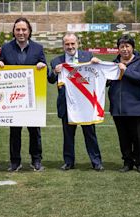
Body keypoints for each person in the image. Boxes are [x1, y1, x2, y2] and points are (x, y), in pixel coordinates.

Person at [48, 32, 104, 171]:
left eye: (72, 43)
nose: (70, 46)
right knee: (68, 135)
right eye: (67, 44)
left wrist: (97, 63)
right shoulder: (56, 61)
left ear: (78, 44)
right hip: (67, 103)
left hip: (86, 103)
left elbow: (96, 74)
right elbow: (50, 79)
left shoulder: (88, 57)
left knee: (90, 134)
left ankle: (96, 161)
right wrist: (55, 71)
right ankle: (68, 162)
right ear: (63, 46)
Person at [0, 17, 47, 172]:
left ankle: (36, 159)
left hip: (32, 98)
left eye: (24, 29)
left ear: (29, 31)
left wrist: (42, 65)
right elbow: (0, 68)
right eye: (18, 29)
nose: (21, 32)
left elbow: (46, 71)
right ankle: (15, 161)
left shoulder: (38, 48)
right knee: (15, 130)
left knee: (34, 131)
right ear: (13, 31)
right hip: (13, 98)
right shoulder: (6, 48)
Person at [108, 35, 140, 173]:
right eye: (122, 46)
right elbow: (105, 81)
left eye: (127, 46)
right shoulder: (113, 64)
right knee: (123, 137)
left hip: (136, 108)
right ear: (118, 49)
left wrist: (125, 70)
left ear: (133, 48)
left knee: (139, 137)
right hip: (118, 109)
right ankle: (127, 162)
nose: (125, 49)